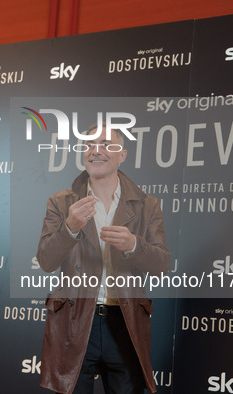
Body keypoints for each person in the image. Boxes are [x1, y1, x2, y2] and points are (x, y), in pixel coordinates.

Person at [37, 123, 171, 394]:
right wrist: (70, 228)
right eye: (89, 145)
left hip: (124, 324)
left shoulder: (147, 205)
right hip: (73, 323)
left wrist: (134, 245)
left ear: (122, 154)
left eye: (106, 145)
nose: (96, 151)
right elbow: (46, 261)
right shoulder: (61, 203)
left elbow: (162, 264)